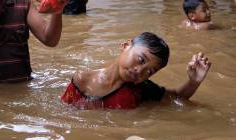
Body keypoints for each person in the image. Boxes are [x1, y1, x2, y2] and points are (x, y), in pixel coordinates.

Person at [61, 32, 211, 109]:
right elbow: (64, 112)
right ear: (126, 45)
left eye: (149, 72)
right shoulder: (82, 80)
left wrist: (194, 81)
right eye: (141, 60)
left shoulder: (141, 89)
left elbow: (177, 97)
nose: (140, 71)